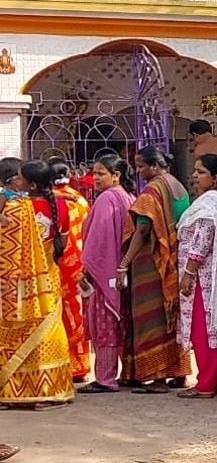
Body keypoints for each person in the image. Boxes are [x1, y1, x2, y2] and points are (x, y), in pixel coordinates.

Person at [115, 146, 192, 394]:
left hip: (153, 264)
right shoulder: (177, 186)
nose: (138, 171)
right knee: (173, 317)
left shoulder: (152, 191)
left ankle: (158, 377)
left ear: (155, 166)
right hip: (176, 257)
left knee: (153, 317)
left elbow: (143, 230)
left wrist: (124, 262)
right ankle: (178, 372)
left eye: (140, 166)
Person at [0, 159, 74, 409]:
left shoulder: (15, 208)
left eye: (19, 178)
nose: (15, 182)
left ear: (31, 185)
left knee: (15, 330)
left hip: (16, 280)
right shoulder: (61, 205)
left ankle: (14, 391)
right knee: (49, 331)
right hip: (48, 277)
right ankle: (50, 387)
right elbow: (62, 243)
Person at [175, 154, 217, 399]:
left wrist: (189, 273)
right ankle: (216, 380)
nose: (194, 176)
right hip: (215, 274)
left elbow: (201, 242)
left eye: (200, 172)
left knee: (204, 330)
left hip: (203, 277)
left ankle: (206, 384)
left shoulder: (209, 205)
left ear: (216, 177)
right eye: (195, 171)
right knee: (215, 328)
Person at [77, 155, 136, 394]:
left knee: (105, 326)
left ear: (116, 175)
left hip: (104, 271)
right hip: (121, 269)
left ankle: (105, 377)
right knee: (118, 323)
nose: (96, 177)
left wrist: (88, 268)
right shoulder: (127, 196)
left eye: (101, 173)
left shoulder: (107, 199)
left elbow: (98, 239)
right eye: (94, 172)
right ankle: (121, 373)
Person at [48, 158, 90, 382]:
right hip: (81, 263)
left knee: (61, 312)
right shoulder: (81, 200)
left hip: (58, 263)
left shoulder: (51, 202)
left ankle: (64, 363)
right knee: (79, 311)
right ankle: (81, 366)